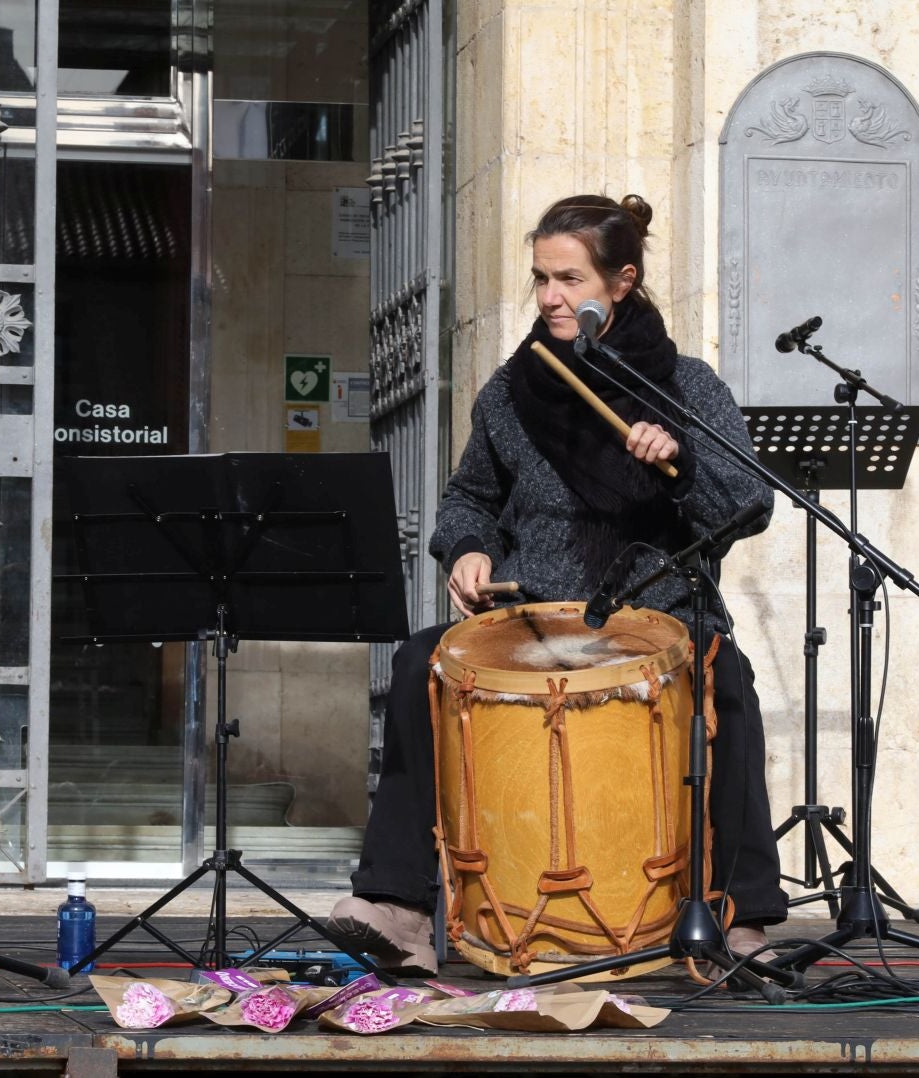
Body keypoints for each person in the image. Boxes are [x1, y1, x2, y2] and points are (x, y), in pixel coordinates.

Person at [326, 194, 786, 973]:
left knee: (727, 682)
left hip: (657, 614)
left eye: (569, 279)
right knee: (417, 661)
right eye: (541, 279)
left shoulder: (688, 386)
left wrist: (678, 464)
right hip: (532, 621)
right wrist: (467, 547)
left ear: (623, 283)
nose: (549, 298)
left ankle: (742, 918)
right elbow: (470, 495)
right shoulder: (513, 392)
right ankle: (401, 907)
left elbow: (747, 505)